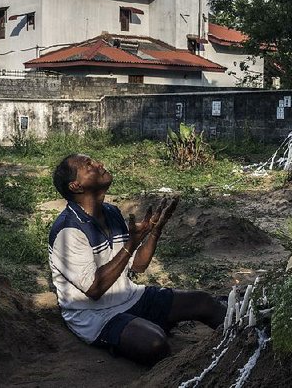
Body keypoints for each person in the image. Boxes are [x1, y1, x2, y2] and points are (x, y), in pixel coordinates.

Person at [48, 153, 226, 365]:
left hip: (130, 296)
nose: (99, 164)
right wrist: (131, 244)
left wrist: (155, 232)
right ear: (76, 186)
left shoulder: (111, 212)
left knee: (204, 302)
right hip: (95, 315)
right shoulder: (67, 231)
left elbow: (138, 266)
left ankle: (248, 346)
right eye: (89, 165)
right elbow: (94, 289)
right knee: (154, 343)